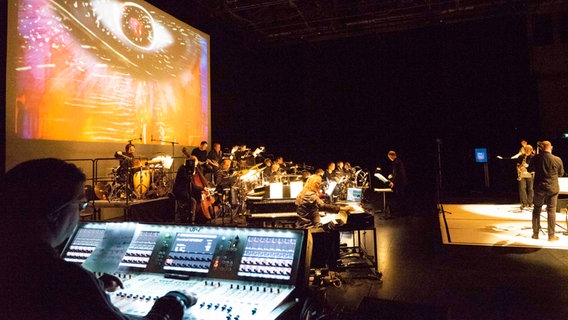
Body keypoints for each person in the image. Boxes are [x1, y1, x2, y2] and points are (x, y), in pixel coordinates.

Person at [0, 158, 194, 319]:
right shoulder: (66, 278)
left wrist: (96, 287)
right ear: (54, 213)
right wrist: (173, 301)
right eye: (80, 204)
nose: (80, 213)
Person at [528, 141, 564, 241]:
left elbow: (529, 170)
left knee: (537, 210)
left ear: (542, 147)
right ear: (550, 147)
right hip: (552, 188)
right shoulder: (557, 159)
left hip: (539, 188)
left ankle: (535, 234)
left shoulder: (535, 158)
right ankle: (551, 236)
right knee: (551, 210)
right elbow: (561, 173)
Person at [517, 144, 535, 210]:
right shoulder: (521, 156)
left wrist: (528, 166)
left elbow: (535, 167)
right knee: (522, 189)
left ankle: (530, 203)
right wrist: (519, 169)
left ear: (531, 150)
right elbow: (518, 165)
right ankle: (524, 203)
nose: (527, 151)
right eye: (526, 150)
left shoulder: (533, 157)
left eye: (528, 150)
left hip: (530, 174)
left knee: (530, 189)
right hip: (522, 174)